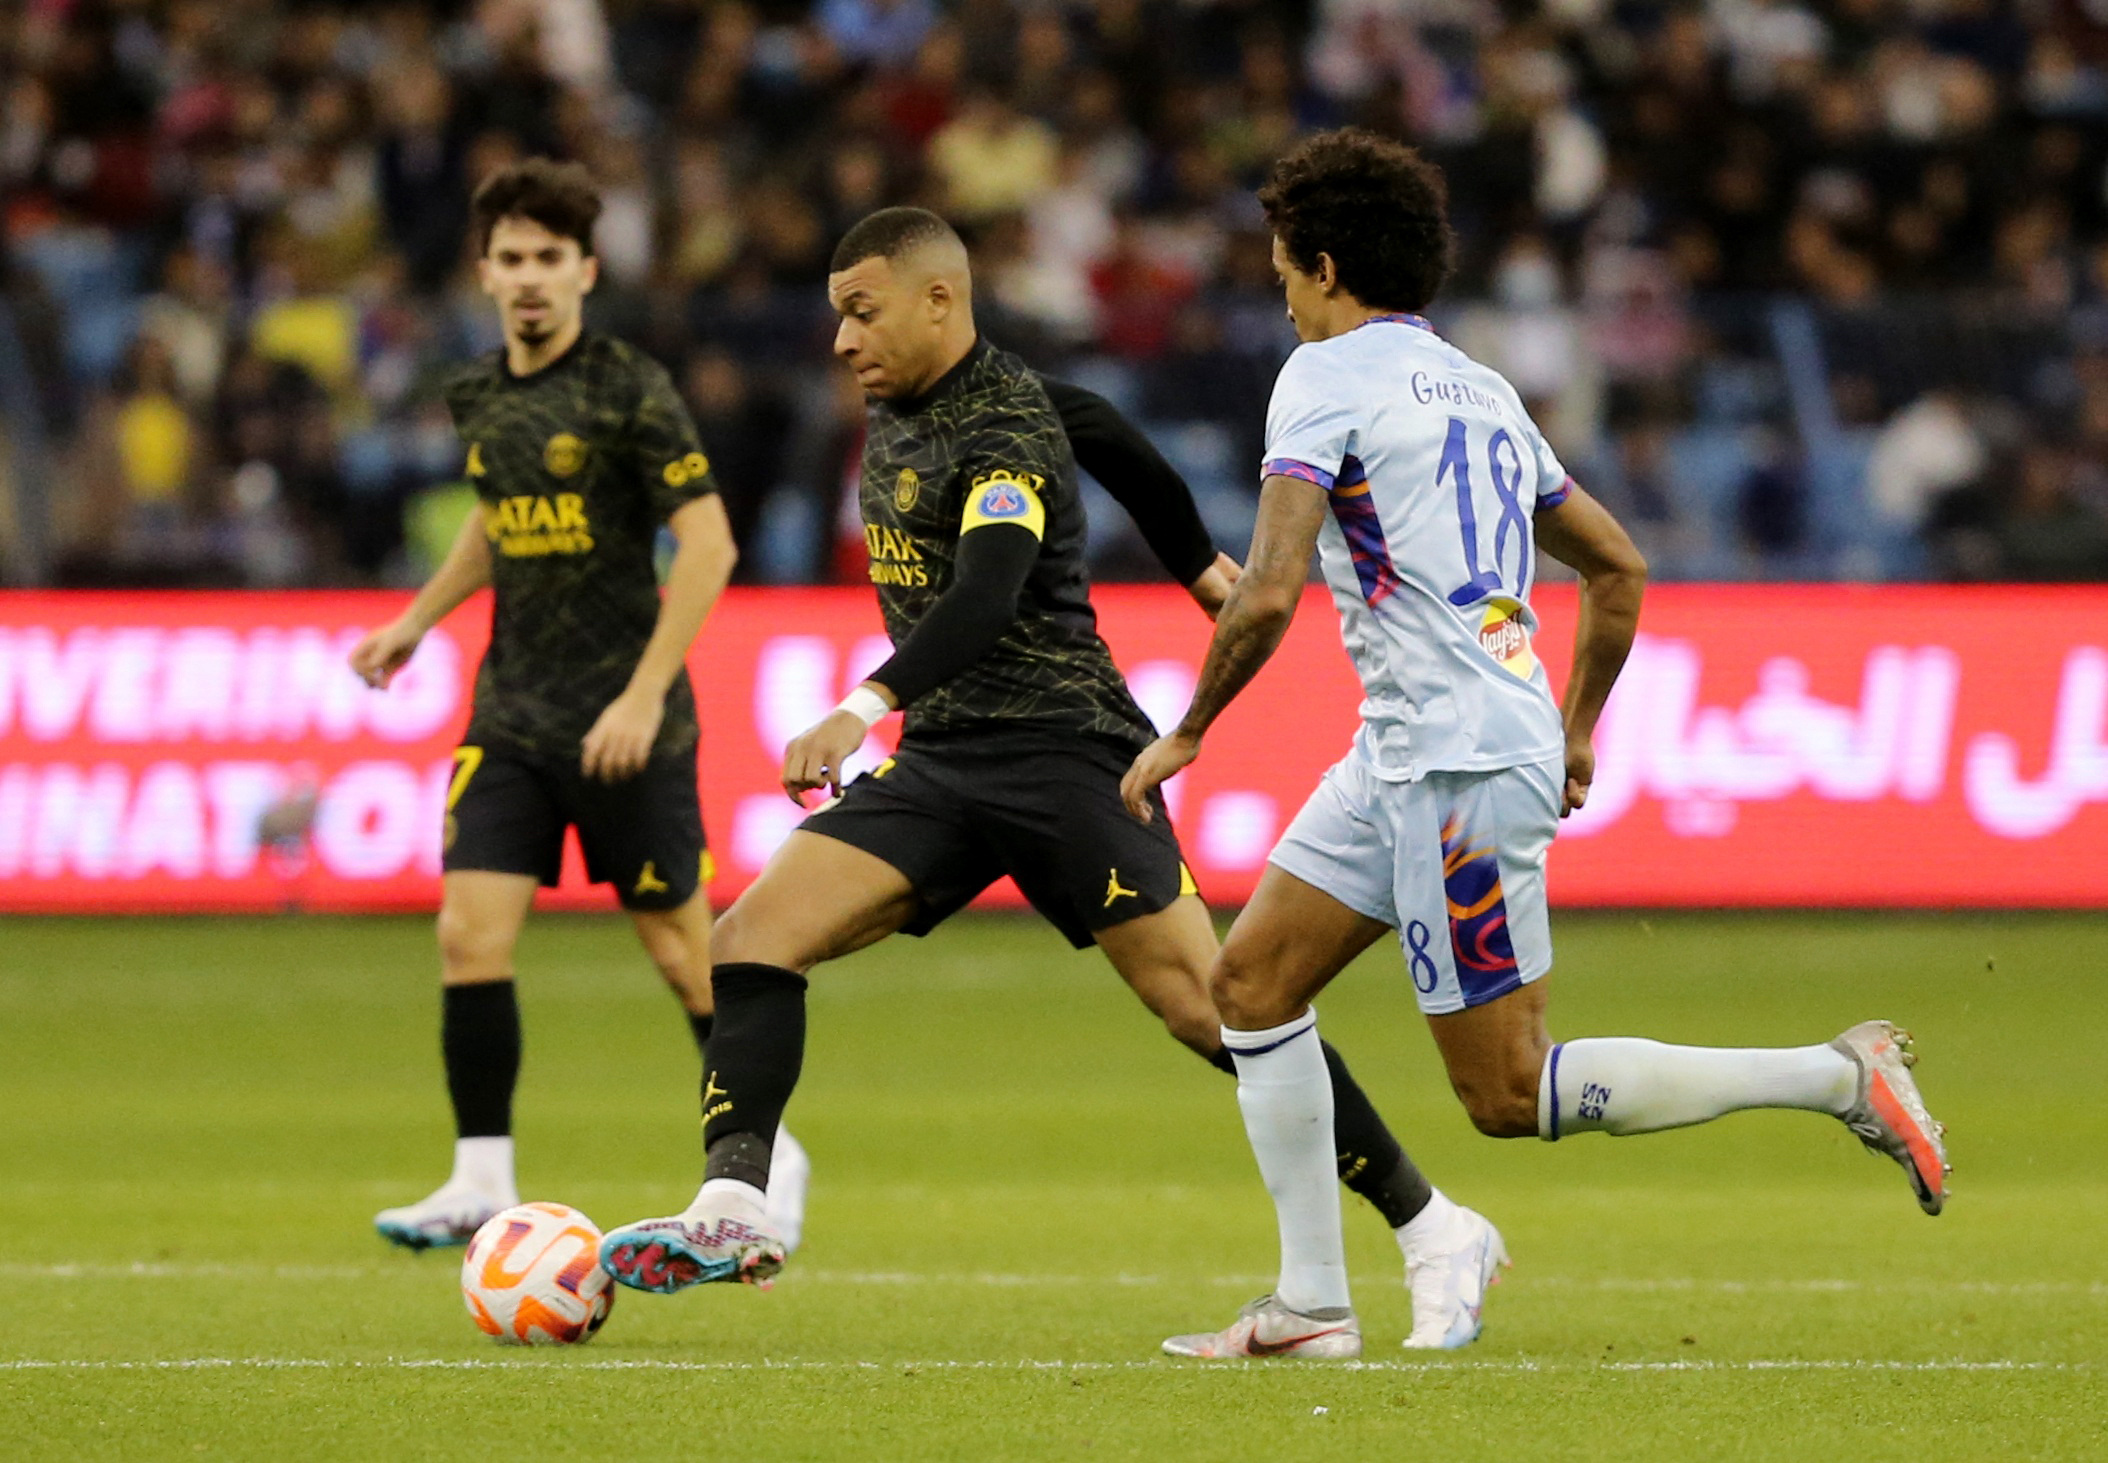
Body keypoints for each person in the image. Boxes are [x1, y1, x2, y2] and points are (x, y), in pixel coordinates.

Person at [597, 208, 1501, 1349]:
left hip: (1064, 751)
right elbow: (1115, 435)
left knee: (1214, 1007)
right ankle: (735, 1200)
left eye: (860, 312)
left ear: (940, 298)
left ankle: (1431, 1223)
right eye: (836, 316)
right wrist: (1197, 566)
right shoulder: (924, 401)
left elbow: (984, 591)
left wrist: (856, 704)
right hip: (943, 765)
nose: (839, 341)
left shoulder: (1003, 425)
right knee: (750, 939)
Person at [1121, 129, 1951, 1362]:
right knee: (1247, 986)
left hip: (1453, 763)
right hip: (1416, 745)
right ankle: (1309, 1305)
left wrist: (1187, 727)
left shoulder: (1323, 373)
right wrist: (1568, 729)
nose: (1280, 291)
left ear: (1329, 266)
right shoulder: (1482, 387)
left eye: (1284, 268)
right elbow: (1617, 564)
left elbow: (1267, 587)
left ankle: (1835, 1074)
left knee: (1505, 1093)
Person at [348, 159, 808, 1251]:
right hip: (512, 712)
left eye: (549, 258)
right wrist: (417, 619)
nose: (528, 278)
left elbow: (708, 543)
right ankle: (477, 1176)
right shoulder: (477, 392)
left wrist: (645, 695)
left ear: (586, 270)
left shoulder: (626, 387)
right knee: (467, 933)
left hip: (626, 721)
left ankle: (765, 1152)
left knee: (680, 951)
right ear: (484, 272)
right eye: (510, 259)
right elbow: (496, 518)